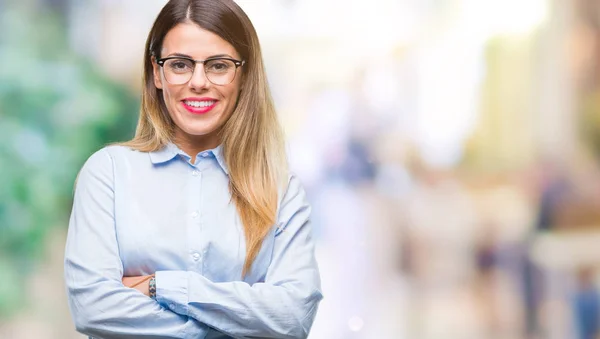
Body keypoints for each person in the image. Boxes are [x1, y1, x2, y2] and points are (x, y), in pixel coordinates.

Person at [63, 0, 323, 338]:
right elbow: (93, 309)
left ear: (243, 75)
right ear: (157, 73)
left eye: (217, 66)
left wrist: (162, 286)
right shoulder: (108, 174)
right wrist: (234, 322)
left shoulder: (281, 190)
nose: (198, 82)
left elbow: (293, 317)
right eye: (180, 65)